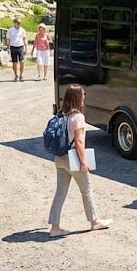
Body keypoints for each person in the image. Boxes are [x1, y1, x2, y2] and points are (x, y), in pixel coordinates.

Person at [48, 84, 112, 237]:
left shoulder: (62, 114)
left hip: (60, 157)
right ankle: (94, 221)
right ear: (78, 98)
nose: (84, 97)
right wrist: (83, 163)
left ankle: (55, 227)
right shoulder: (78, 117)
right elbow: (79, 142)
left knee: (60, 192)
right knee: (86, 189)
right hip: (73, 158)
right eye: (83, 95)